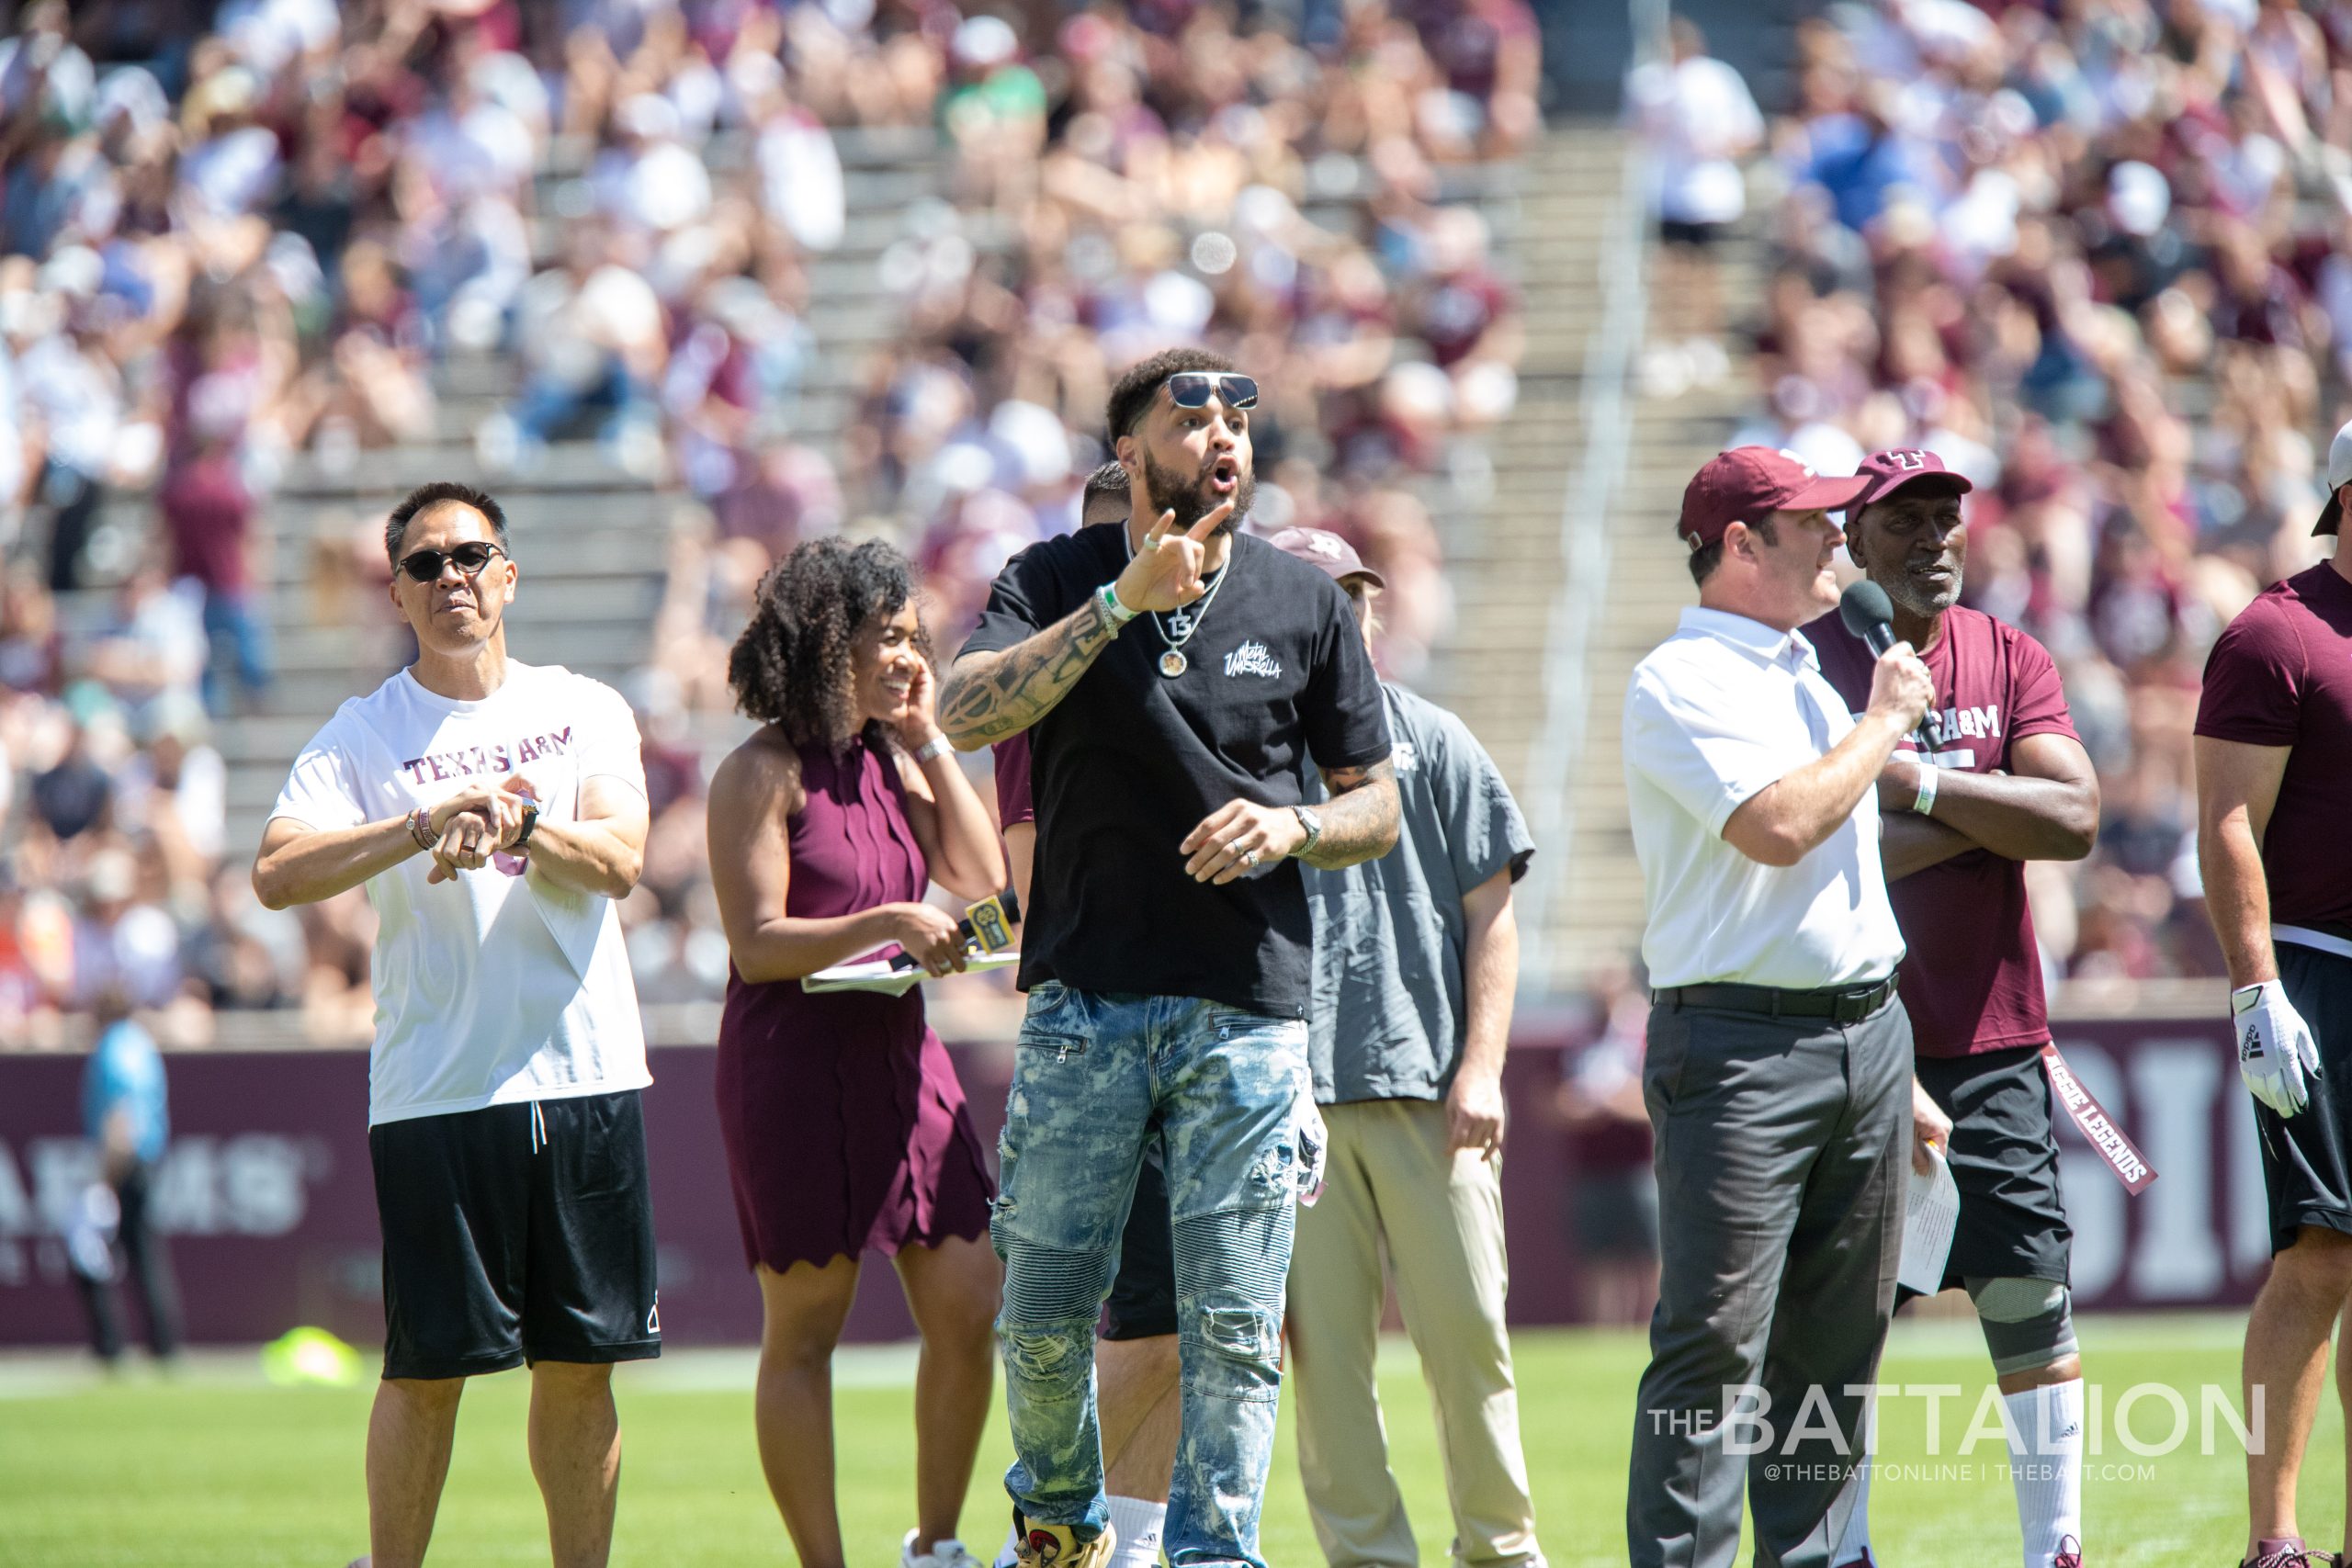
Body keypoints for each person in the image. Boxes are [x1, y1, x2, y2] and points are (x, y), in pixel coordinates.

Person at [942, 346, 1400, 1568]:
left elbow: (1379, 804)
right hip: (1087, 1005)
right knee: (1041, 1313)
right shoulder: (1054, 572)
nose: (1223, 435)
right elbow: (966, 708)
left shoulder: (1303, 601)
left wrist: (1295, 822)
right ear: (1129, 450)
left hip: (1249, 1011)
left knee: (1237, 1325)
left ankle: (1213, 1552)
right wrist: (1119, 604)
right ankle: (1062, 1514)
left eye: (1240, 416)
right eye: (1191, 415)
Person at [251, 480, 658, 1568]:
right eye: (425, 565)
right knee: (425, 1369)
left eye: (471, 556)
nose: (452, 579)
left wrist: (522, 823)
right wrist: (418, 823)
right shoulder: (365, 732)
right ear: (395, 594)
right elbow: (278, 873)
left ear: (509, 575)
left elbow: (622, 859)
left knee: (581, 1367)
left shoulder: (582, 707)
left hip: (581, 1076)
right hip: (438, 1086)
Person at [1620, 446, 1933, 1568]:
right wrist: (1884, 721)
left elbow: (1832, 889)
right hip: (1741, 1047)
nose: (1839, 543)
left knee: (1838, 1352)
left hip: (1860, 1034)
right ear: (1741, 543)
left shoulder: (1804, 671)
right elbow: (1780, 827)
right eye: (1813, 525)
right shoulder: (1679, 678)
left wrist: (1898, 1066)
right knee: (1714, 1352)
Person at [1805, 448, 2098, 1568]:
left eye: (1948, 519)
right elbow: (1815, 845)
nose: (1935, 539)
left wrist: (1919, 787)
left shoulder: (2007, 651)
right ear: (1855, 543)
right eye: (1907, 521)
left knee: (2027, 1289)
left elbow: (2072, 819)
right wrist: (1992, 814)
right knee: (1838, 1317)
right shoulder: (1806, 665)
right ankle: (1841, 1553)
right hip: (1840, 1035)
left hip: (1991, 1038)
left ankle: (2054, 1551)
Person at [705, 537, 1007, 1568]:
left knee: (971, 1302)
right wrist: (882, 920)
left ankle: (933, 1544)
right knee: (806, 1327)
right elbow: (756, 942)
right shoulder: (757, 773)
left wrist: (929, 740)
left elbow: (976, 868)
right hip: (791, 1066)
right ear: (826, 647)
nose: (907, 657)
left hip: (897, 1050)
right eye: (886, 639)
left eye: (914, 638)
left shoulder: (893, 755)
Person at [1277, 525, 1545, 1568]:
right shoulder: (1234, 755)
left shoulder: (1430, 737)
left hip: (1429, 1090)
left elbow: (1495, 916)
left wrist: (1482, 1067)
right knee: (1325, 1368)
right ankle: (1367, 1559)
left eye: (1352, 596)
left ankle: (1502, 1551)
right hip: (1286, 1107)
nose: (1341, 615)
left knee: (1470, 1341)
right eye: (1316, 598)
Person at [989, 461, 1181, 1568]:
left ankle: (1139, 1540)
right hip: (1094, 1014)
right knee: (1070, 1310)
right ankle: (1065, 1534)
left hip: (1201, 1009)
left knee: (1184, 1314)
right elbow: (1034, 882)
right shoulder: (1046, 693)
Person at [2196, 418, 2352, 1568]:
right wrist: (2257, 988)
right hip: (2316, 971)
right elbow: (2226, 823)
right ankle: (2275, 1539)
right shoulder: (2273, 632)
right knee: (2319, 1255)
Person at [72, 986, 182, 1364]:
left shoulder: (114, 1048)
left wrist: (105, 1180)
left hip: (125, 1162)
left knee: (98, 1249)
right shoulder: (140, 1043)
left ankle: (112, 1344)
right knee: (142, 1250)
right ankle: (162, 1342)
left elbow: (122, 1118)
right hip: (145, 1157)